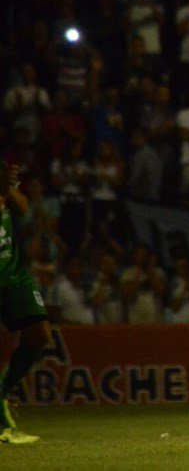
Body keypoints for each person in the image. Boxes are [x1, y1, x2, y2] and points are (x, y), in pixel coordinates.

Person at [0, 163, 53, 443]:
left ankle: (2, 389)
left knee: (40, 335)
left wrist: (5, 186)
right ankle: (3, 428)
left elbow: (23, 209)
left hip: (14, 274)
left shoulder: (3, 182)